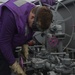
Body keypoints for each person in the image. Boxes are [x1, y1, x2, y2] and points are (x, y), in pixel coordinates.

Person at [0, 0, 54, 75]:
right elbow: (4, 43)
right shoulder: (11, 14)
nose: (35, 30)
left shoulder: (34, 17)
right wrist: (15, 66)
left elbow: (26, 31)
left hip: (8, 42)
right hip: (2, 41)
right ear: (32, 17)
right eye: (35, 28)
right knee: (4, 68)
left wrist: (25, 46)